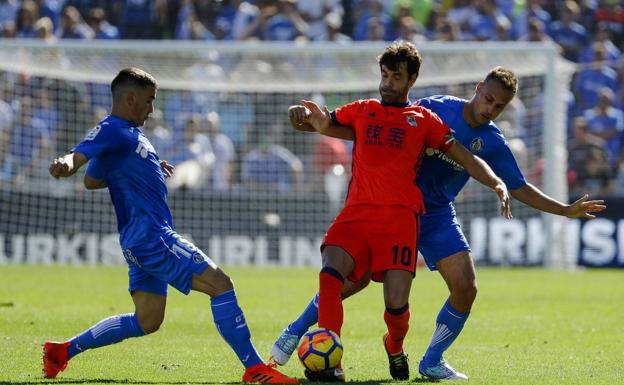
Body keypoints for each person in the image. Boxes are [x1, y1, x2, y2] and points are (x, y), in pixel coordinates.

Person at [270, 65, 607, 382]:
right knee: (352, 282)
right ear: (477, 89)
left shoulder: (492, 141)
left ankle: (432, 360)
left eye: (500, 106)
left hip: (435, 214)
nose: (491, 109)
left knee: (466, 285)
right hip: (392, 206)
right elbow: (389, 126)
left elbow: (518, 186)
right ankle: (295, 331)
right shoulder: (435, 107)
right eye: (489, 99)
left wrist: (564, 209)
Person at [276, 41, 513, 382]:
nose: (387, 83)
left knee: (396, 305)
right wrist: (299, 115)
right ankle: (330, 360)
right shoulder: (362, 109)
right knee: (330, 274)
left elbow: (465, 157)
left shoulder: (424, 120)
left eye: (396, 77)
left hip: (400, 218)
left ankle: (395, 344)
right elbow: (322, 124)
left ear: (411, 79)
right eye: (384, 75)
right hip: (356, 213)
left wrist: (496, 183)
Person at [43, 68, 298, 384]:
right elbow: (77, 160)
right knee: (221, 284)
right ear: (131, 98)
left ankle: (61, 352)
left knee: (147, 320)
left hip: (137, 240)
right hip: (152, 235)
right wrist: (63, 164)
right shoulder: (111, 128)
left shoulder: (130, 135)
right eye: (149, 101)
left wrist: (145, 167)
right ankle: (255, 368)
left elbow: (94, 180)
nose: (151, 110)